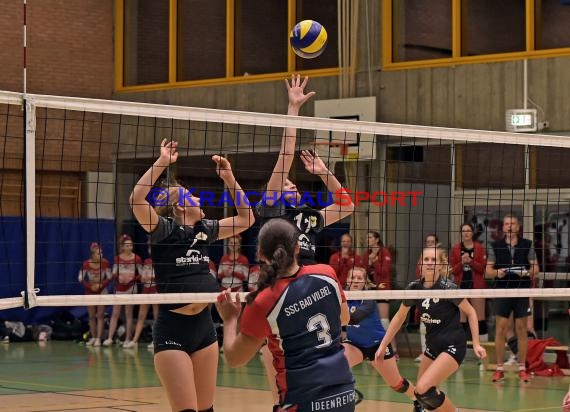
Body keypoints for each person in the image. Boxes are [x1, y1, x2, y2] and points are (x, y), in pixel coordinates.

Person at [129, 138, 254, 412]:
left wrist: (230, 178)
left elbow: (247, 219)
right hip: (172, 330)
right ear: (181, 206)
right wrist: (163, 162)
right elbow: (136, 199)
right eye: (192, 196)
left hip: (204, 329)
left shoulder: (206, 230)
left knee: (206, 409)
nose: (199, 198)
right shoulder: (163, 230)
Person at [254, 74, 355, 407]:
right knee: (280, 368)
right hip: (283, 299)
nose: (290, 186)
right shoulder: (272, 213)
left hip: (315, 297)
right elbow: (285, 158)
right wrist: (293, 110)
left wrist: (324, 171)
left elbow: (347, 205)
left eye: (293, 185)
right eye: (285, 184)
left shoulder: (307, 218)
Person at [217, 218, 355, 412]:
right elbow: (344, 318)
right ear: (298, 247)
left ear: (261, 254)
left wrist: (230, 320)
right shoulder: (326, 273)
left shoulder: (263, 301)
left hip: (302, 401)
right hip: (344, 395)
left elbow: (234, 359)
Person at [375, 247, 486, 412]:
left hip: (453, 345)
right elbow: (399, 317)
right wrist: (383, 345)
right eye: (426, 260)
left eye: (433, 260)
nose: (429, 263)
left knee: (423, 389)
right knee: (422, 397)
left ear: (441, 265)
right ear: (420, 263)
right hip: (433, 346)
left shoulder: (448, 288)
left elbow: (470, 312)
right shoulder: (414, 288)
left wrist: (476, 343)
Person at [342, 267, 423, 412]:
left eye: (359, 278)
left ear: (365, 282)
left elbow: (354, 318)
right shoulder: (343, 297)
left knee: (397, 383)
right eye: (352, 277)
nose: (355, 280)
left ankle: (418, 400)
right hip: (354, 345)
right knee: (336, 366)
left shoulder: (368, 299)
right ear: (347, 280)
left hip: (377, 345)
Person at [485, 214, 539, 383]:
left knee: (522, 329)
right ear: (503, 227)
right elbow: (488, 271)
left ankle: (522, 368)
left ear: (518, 226)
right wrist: (497, 273)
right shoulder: (496, 246)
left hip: (521, 290)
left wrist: (526, 272)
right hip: (503, 290)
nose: (509, 226)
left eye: (513, 223)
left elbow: (535, 268)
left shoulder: (527, 245)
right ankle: (500, 368)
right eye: (507, 223)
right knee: (501, 328)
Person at [449, 223, 488, 342]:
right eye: (464, 231)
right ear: (461, 233)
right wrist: (462, 262)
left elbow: (482, 269)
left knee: (479, 319)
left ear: (472, 233)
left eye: (468, 230)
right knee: (461, 320)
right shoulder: (456, 249)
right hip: (461, 287)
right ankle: (461, 350)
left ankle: (483, 352)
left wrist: (470, 261)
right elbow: (453, 271)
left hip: (476, 287)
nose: (466, 233)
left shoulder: (479, 248)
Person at [104, 235, 142, 347]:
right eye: (127, 245)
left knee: (128, 314)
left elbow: (141, 274)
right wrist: (118, 277)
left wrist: (132, 279)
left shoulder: (137, 258)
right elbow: (114, 272)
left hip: (131, 288)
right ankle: (110, 338)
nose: (129, 247)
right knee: (115, 313)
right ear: (122, 246)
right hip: (119, 288)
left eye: (131, 245)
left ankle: (128, 339)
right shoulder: (118, 258)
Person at [124, 240, 158, 349]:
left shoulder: (160, 260)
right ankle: (134, 341)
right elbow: (143, 277)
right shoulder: (147, 261)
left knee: (156, 317)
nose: (150, 250)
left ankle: (156, 341)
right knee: (141, 316)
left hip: (155, 291)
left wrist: (151, 278)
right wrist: (144, 278)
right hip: (146, 290)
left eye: (151, 247)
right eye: (149, 247)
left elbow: (162, 278)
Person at [413, 233, 442, 361]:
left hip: (439, 292)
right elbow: (418, 273)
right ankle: (425, 351)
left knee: (439, 321)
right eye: (428, 241)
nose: (430, 243)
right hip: (424, 291)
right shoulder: (423, 259)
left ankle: (440, 351)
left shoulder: (440, 258)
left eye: (432, 241)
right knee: (424, 319)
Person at [78, 242, 112, 347]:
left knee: (100, 316)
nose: (101, 255)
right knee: (92, 316)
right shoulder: (86, 264)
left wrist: (101, 285)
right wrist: (90, 286)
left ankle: (98, 338)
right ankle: (93, 337)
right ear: (92, 255)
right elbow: (80, 278)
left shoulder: (105, 263)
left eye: (101, 253)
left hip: (102, 291)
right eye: (98, 253)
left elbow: (110, 277)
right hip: (90, 292)